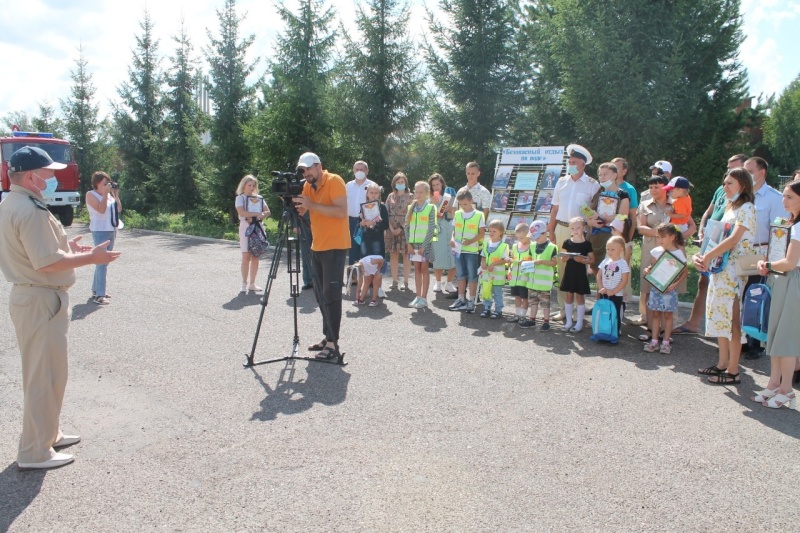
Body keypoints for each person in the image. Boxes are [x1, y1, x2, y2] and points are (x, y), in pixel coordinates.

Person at [0, 145, 121, 470]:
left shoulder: (15, 202)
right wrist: (91, 258)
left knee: (52, 373)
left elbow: (38, 248)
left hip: (36, 298)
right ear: (30, 176)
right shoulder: (29, 209)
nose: (52, 178)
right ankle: (35, 451)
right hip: (40, 297)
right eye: (47, 173)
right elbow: (47, 261)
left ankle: (48, 434)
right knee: (42, 376)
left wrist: (70, 246)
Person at [694, 167, 757, 385]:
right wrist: (702, 256)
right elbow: (716, 236)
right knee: (719, 316)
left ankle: (733, 370)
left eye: (730, 183)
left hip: (733, 272)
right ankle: (722, 363)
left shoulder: (747, 208)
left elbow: (733, 240)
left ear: (743, 185)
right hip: (719, 270)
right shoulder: (731, 208)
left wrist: (708, 256)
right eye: (724, 182)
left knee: (732, 321)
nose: (725, 186)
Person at [673, 154, 747, 334]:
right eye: (728, 168)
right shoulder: (722, 190)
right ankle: (694, 323)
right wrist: (702, 228)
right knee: (704, 281)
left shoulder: (744, 198)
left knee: (727, 289)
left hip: (727, 246)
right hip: (711, 240)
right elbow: (709, 211)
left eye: (734, 168)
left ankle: (729, 331)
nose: (729, 171)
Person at [293, 152, 349, 361]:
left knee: (332, 294)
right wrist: (293, 204)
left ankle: (333, 344)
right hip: (318, 245)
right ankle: (327, 337)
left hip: (335, 245)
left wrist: (311, 205)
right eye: (302, 169)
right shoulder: (307, 186)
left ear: (319, 167)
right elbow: (303, 211)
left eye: (308, 168)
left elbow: (341, 211)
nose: (305, 172)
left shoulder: (334, 181)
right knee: (320, 294)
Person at [753, 179, 800, 408]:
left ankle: (787, 388)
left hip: (793, 280)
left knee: (787, 337)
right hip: (783, 279)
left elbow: (791, 263)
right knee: (775, 333)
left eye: (789, 197)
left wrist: (768, 264)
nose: (784, 201)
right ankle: (773, 383)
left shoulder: (799, 226)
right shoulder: (789, 223)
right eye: (783, 196)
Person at [637, 175, 695, 340]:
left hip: (672, 251)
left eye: (657, 186)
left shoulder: (677, 201)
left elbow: (692, 225)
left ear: (666, 187)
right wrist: (662, 233)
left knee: (670, 288)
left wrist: (678, 238)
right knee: (650, 287)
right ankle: (651, 329)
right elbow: (641, 227)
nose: (654, 190)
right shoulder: (645, 204)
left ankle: (666, 331)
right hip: (652, 249)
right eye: (651, 187)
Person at [740, 156, 787, 359]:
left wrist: (770, 259)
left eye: (750, 171)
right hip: (740, 251)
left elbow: (779, 231)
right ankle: (741, 339)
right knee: (740, 296)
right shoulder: (742, 195)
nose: (747, 174)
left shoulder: (774, 198)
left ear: (761, 173)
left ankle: (755, 343)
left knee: (756, 296)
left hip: (761, 252)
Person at [547, 144, 600, 321]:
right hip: (562, 228)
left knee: (578, 269)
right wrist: (551, 230)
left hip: (581, 232)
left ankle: (578, 309)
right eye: (569, 161)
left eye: (574, 162)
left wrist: (588, 233)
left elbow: (593, 211)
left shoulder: (592, 184)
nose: (570, 164)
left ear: (583, 164)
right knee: (562, 268)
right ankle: (563, 308)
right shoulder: (561, 182)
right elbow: (554, 209)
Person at [642, 224, 688, 354]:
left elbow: (685, 271)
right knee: (656, 314)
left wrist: (676, 283)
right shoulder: (656, 251)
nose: (659, 240)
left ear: (672, 237)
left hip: (670, 289)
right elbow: (652, 267)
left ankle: (666, 343)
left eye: (663, 237)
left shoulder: (678, 253)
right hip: (656, 287)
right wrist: (648, 271)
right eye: (658, 237)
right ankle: (654, 341)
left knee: (668, 315)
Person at [85, 171, 122, 305]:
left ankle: (96, 289)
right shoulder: (91, 194)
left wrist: (115, 194)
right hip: (99, 230)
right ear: (96, 183)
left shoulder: (109, 196)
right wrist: (106, 194)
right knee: (101, 262)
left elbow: (118, 209)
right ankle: (100, 295)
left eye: (109, 183)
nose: (107, 185)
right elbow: (101, 210)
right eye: (104, 183)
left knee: (104, 262)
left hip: (111, 229)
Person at [587, 162, 630, 270]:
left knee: (612, 271)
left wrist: (603, 217)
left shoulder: (623, 194)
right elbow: (590, 214)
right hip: (596, 238)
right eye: (600, 174)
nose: (602, 177)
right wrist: (590, 222)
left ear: (615, 175)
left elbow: (622, 216)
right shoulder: (598, 194)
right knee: (597, 269)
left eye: (605, 174)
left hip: (613, 237)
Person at [449, 190, 486, 313]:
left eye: (465, 204)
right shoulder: (458, 214)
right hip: (458, 250)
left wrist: (470, 241)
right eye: (461, 204)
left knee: (472, 276)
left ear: (471, 201)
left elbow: (482, 234)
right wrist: (452, 239)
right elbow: (454, 231)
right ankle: (461, 299)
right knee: (460, 275)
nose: (463, 207)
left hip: (472, 251)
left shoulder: (479, 215)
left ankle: (471, 300)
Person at [235, 175, 271, 294]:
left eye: (253, 185)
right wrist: (256, 214)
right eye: (249, 185)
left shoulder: (259, 198)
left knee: (256, 256)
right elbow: (241, 212)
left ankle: (252, 283)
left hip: (258, 227)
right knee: (246, 256)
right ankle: (244, 283)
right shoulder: (240, 198)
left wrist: (257, 217)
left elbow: (267, 212)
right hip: (245, 228)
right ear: (244, 185)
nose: (251, 187)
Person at [520, 220, 558, 330]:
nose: (535, 238)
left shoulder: (552, 247)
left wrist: (542, 262)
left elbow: (554, 263)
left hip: (544, 283)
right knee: (533, 302)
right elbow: (531, 259)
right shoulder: (532, 245)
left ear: (544, 233)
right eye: (533, 236)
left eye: (537, 236)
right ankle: (532, 320)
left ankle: (546, 322)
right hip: (532, 281)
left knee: (545, 303)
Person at [405, 181, 437, 309]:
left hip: (426, 244)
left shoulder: (430, 208)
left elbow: (431, 228)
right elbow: (406, 227)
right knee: (416, 269)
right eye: (416, 192)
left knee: (424, 269)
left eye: (421, 192)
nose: (418, 194)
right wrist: (409, 244)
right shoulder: (410, 208)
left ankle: (424, 298)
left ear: (427, 194)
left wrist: (424, 246)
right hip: (413, 245)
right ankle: (418, 296)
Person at [559, 217, 594, 332]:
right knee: (569, 296)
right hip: (569, 273)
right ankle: (568, 322)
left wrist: (583, 261)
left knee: (580, 297)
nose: (575, 230)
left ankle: (579, 323)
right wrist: (565, 258)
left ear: (583, 228)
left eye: (578, 228)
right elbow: (563, 259)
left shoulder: (587, 244)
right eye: (573, 228)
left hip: (580, 274)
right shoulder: (567, 242)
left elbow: (592, 259)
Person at [428, 173, 457, 294]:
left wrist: (448, 208)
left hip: (449, 226)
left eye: (438, 184)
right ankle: (438, 282)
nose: (436, 187)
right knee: (437, 255)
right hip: (436, 229)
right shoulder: (429, 198)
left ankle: (449, 283)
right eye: (433, 185)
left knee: (453, 255)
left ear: (442, 184)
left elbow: (456, 211)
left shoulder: (450, 195)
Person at [385, 172, 412, 290]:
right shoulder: (390, 196)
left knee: (406, 255)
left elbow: (411, 214)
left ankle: (405, 282)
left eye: (402, 182)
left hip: (405, 228)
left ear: (405, 183)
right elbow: (385, 212)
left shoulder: (411, 196)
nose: (400, 184)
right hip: (391, 228)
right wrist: (391, 228)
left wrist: (401, 228)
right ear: (394, 183)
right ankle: (395, 280)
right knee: (393, 254)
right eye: (398, 182)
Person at [346, 160, 377, 265]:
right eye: (357, 169)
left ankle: (366, 280)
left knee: (366, 251)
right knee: (352, 251)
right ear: (353, 171)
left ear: (367, 171)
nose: (359, 171)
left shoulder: (372, 185)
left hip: (367, 222)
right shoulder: (348, 186)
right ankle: (353, 279)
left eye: (362, 169)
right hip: (351, 222)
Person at [479, 219, 509, 318]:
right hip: (487, 274)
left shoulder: (504, 246)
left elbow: (504, 259)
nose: (491, 233)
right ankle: (487, 308)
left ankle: (498, 310)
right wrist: (483, 263)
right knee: (487, 291)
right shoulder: (485, 243)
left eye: (494, 231)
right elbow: (483, 255)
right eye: (490, 231)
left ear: (501, 233)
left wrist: (493, 264)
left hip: (498, 275)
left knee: (497, 293)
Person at [507, 222, 532, 323]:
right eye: (518, 237)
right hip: (515, 277)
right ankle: (517, 315)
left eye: (521, 237)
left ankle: (523, 316)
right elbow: (513, 258)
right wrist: (510, 264)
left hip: (525, 278)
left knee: (525, 298)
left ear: (528, 235)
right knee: (517, 297)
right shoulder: (515, 246)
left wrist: (526, 262)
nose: (519, 240)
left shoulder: (532, 247)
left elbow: (533, 261)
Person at [611, 157, 639, 243]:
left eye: (617, 168)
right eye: (612, 168)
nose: (614, 171)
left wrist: (628, 240)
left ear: (624, 171)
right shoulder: (604, 187)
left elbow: (633, 217)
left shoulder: (629, 189)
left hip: (621, 235)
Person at [609, 217, 633, 314]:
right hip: (611, 275)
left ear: (621, 230)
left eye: (614, 229)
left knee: (621, 297)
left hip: (621, 275)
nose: (612, 232)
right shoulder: (610, 244)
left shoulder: (627, 246)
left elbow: (625, 263)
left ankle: (619, 317)